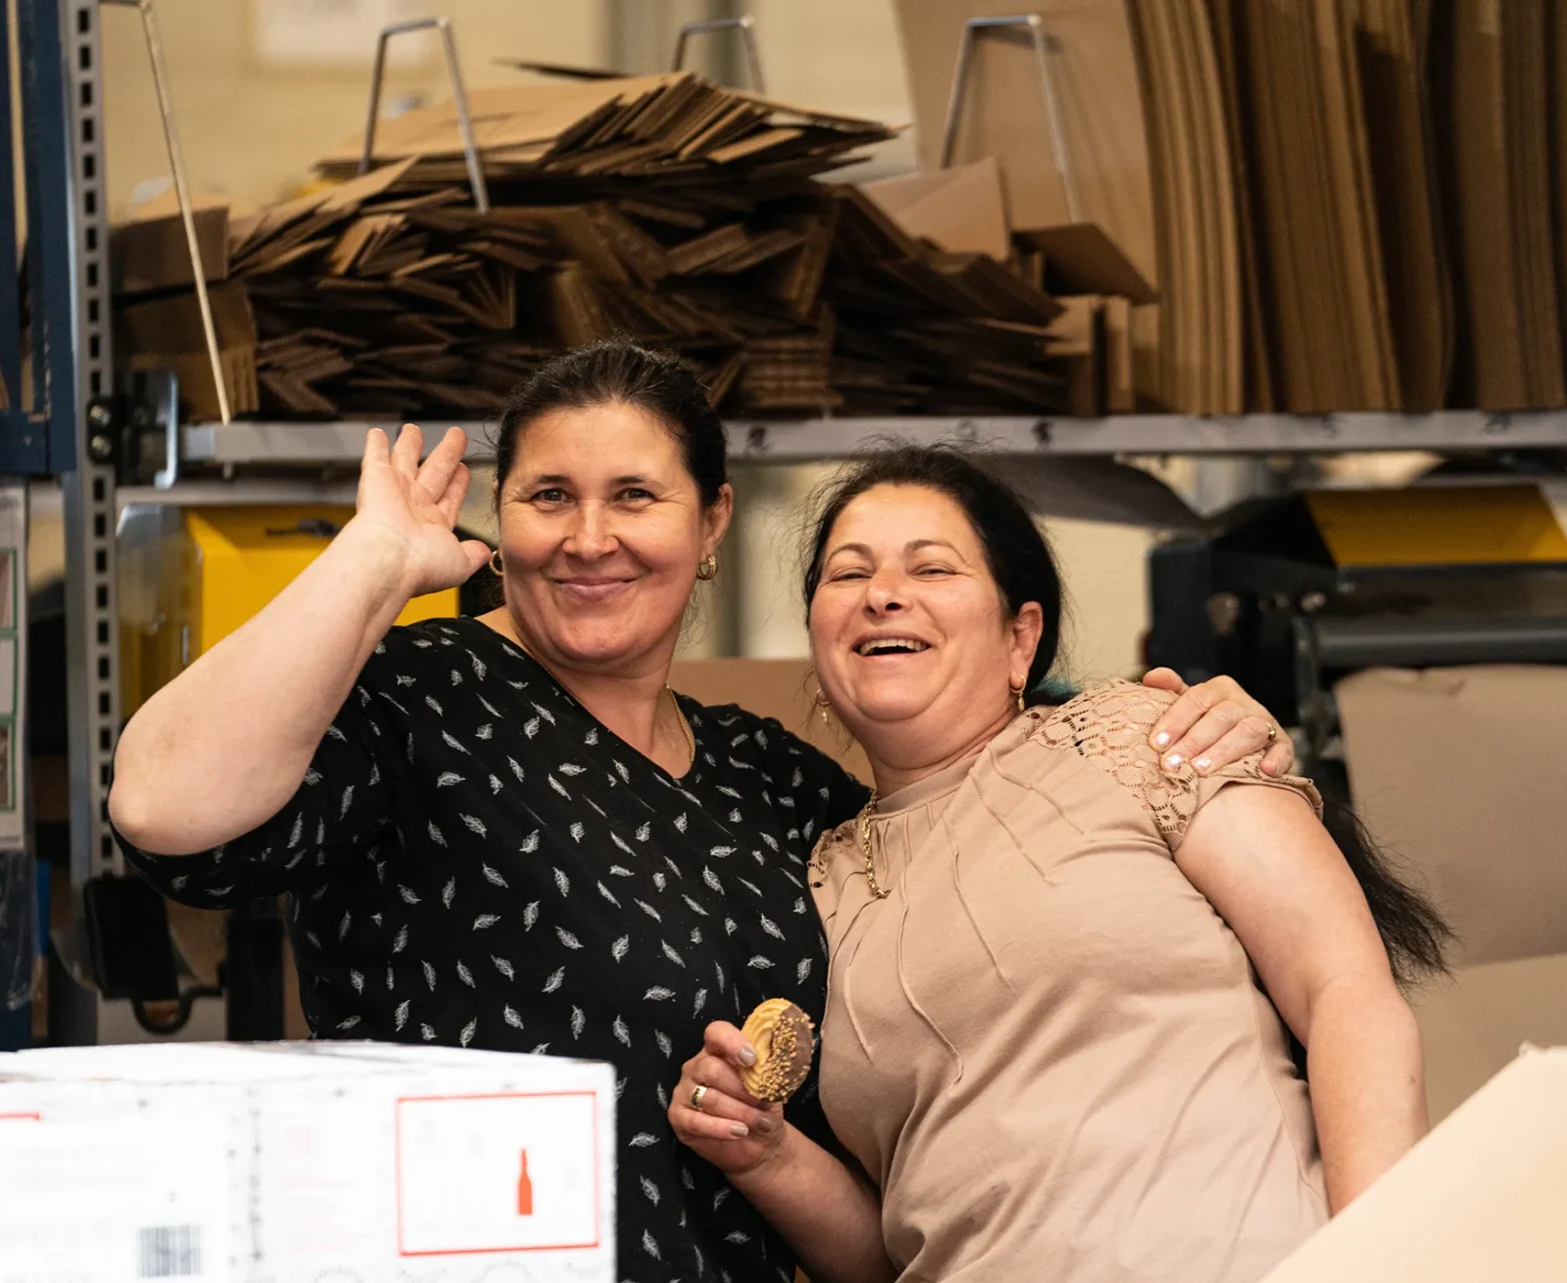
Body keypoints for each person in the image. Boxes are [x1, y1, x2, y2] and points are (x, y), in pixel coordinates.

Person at [108, 342, 1302, 1283]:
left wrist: (1174, 732)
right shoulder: (422, 701)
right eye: (548, 496)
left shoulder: (768, 776)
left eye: (635, 494)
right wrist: (369, 564)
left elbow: (983, 847)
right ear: (495, 522)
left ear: (711, 523)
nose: (590, 537)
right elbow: (166, 808)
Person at [667, 446, 1450, 1283]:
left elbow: (1345, 989)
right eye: (845, 573)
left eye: (932, 566)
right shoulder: (822, 882)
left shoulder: (1142, 735)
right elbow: (898, 1243)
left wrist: (1376, 1257)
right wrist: (767, 1153)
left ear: (1020, 637)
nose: (882, 593)